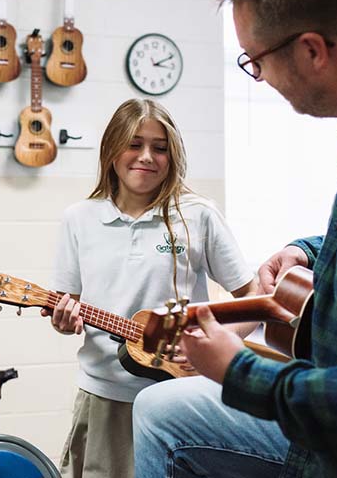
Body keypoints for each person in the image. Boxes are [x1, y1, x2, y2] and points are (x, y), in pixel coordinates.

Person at [133, 0, 337, 477]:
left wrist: (240, 370)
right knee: (161, 410)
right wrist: (305, 252)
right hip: (328, 425)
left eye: (256, 61)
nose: (260, 77)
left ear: (311, 51)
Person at [45, 98, 259, 478]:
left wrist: (213, 347)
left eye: (159, 148)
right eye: (134, 144)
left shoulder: (198, 215)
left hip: (182, 396)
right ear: (111, 150)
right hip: (105, 395)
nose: (146, 156)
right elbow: (68, 310)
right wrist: (64, 321)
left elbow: (253, 300)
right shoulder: (78, 219)